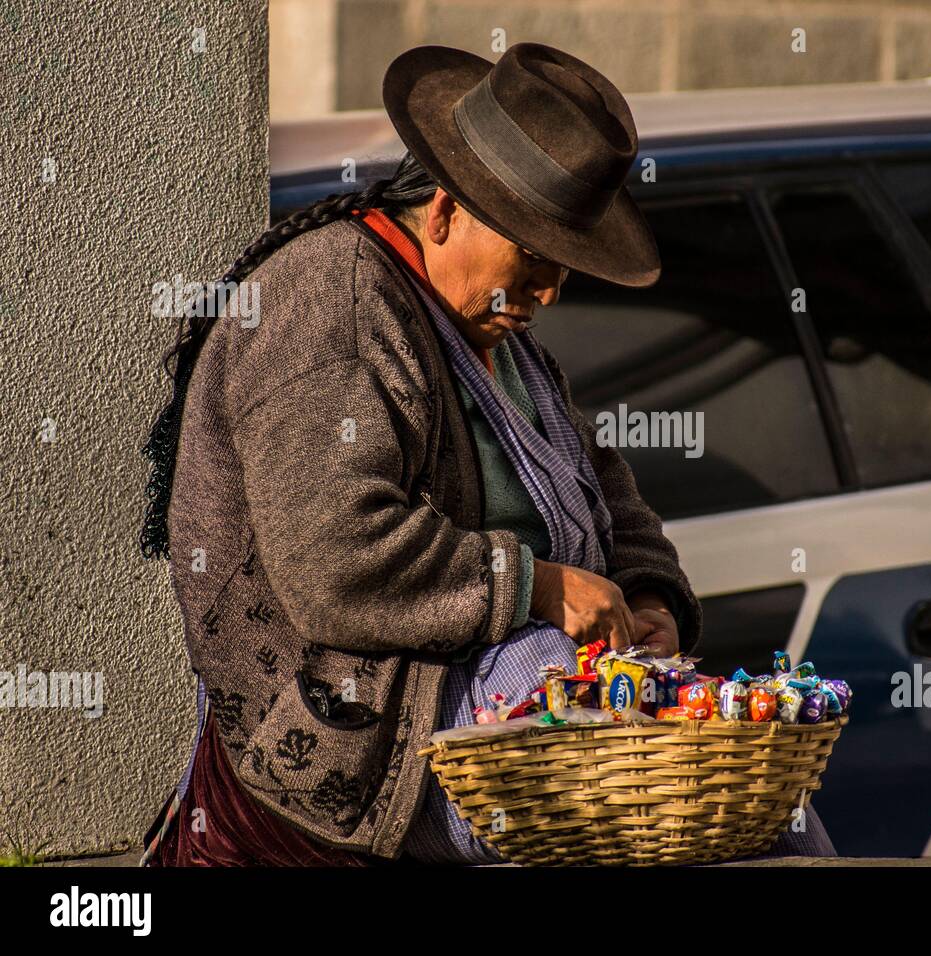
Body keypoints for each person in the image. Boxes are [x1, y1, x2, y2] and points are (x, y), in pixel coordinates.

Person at [138, 42, 834, 866]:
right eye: (533, 257)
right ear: (442, 214)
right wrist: (536, 586)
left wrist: (647, 599)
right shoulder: (330, 306)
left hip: (508, 689)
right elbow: (334, 559)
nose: (549, 291)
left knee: (753, 813)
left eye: (562, 266)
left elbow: (609, 493)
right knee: (624, 804)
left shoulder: (505, 342)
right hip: (360, 738)